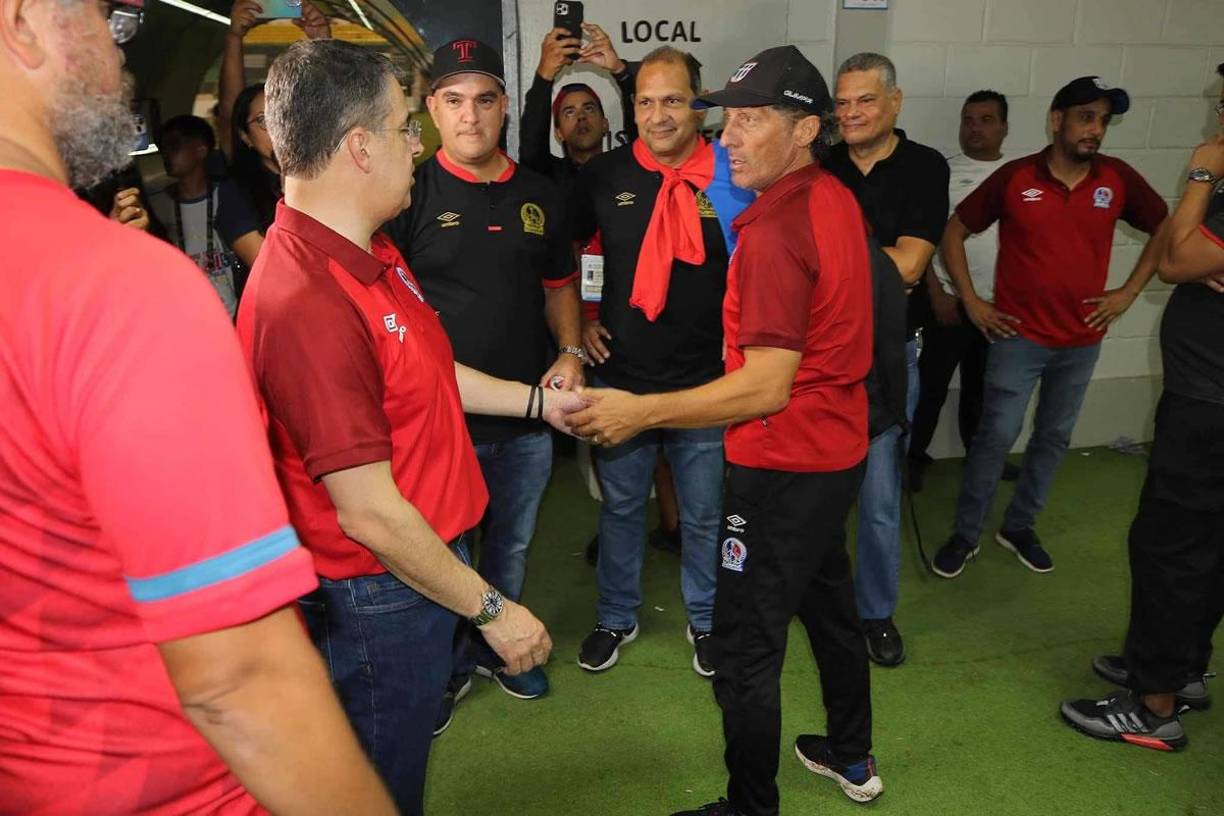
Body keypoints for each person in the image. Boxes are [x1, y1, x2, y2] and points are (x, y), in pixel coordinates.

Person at [0, 1, 395, 812]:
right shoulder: (117, 288)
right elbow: (237, 677)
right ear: (21, 24)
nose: (123, 65)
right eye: (108, 22)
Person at [239, 39, 575, 815]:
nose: (416, 145)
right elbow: (367, 511)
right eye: (401, 127)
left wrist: (537, 402)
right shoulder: (305, 303)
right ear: (358, 148)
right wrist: (493, 611)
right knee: (378, 784)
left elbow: (427, 374)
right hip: (385, 588)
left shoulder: (370, 251)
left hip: (421, 563)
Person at [566, 44, 881, 816]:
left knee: (744, 648)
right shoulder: (829, 196)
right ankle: (851, 754)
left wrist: (640, 410)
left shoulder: (775, 228)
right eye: (728, 119)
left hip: (781, 463)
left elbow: (767, 384)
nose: (729, 137)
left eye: (751, 121)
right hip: (834, 451)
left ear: (805, 130)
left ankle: (750, 806)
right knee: (833, 610)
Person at [385, 37, 583, 717]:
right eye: (454, 100)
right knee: (442, 552)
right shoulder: (407, 195)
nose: (471, 116)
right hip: (439, 423)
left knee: (511, 543)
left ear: (504, 108)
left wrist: (571, 349)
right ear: (433, 110)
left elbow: (560, 286)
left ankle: (503, 651)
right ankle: (446, 668)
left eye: (485, 100)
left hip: (529, 417)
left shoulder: (539, 192)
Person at [932, 76, 1168, 579]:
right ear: (1056, 121)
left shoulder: (1116, 179)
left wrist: (1127, 292)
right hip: (1018, 338)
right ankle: (966, 533)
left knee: (1054, 437)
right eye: (1086, 117)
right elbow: (955, 230)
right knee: (995, 437)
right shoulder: (1017, 177)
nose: (1096, 129)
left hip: (1082, 341)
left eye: (1103, 120)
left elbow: (1165, 226)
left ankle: (1019, 526)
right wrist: (971, 301)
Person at [568, 45, 754, 678]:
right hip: (622, 381)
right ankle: (616, 616)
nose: (658, 115)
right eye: (645, 102)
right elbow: (577, 255)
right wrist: (585, 322)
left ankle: (706, 620)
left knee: (703, 516)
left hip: (705, 386)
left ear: (700, 106)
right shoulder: (608, 174)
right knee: (620, 509)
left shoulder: (737, 172)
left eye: (673, 100)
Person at [1060, 85, 1224, 752]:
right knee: (1204, 546)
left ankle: (1153, 704)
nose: (1220, 113)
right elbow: (1179, 248)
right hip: (1206, 395)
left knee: (1172, 548)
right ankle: (1179, 668)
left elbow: (1181, 259)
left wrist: (1203, 170)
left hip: (1210, 403)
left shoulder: (1216, 168)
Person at [825, 52, 950, 667]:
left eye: (864, 100)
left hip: (889, 356)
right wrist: (875, 261)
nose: (850, 113)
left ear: (894, 102)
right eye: (841, 102)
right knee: (814, 494)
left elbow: (912, 265)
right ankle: (817, 601)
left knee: (877, 501)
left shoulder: (924, 167)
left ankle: (875, 614)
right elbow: (884, 264)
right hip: (819, 358)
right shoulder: (819, 166)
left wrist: (836, 257)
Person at [909, 89, 1018, 490]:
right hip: (948, 304)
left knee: (986, 391)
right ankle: (912, 459)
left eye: (986, 120)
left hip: (998, 307)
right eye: (969, 120)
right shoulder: (944, 173)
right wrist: (936, 292)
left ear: (1004, 127)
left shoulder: (1021, 174)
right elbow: (923, 237)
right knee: (929, 388)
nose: (975, 128)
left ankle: (982, 459)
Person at [147, 115, 263, 318]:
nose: (165, 154)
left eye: (174, 146)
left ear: (201, 150)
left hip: (232, 316)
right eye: (162, 147)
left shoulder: (228, 196)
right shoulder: (155, 205)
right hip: (181, 319)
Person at [520, 21, 637, 188]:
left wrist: (620, 71)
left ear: (605, 124)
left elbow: (643, 132)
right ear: (558, 133)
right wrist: (544, 74)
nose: (581, 117)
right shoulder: (547, 176)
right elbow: (531, 145)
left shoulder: (627, 170)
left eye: (589, 108)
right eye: (569, 112)